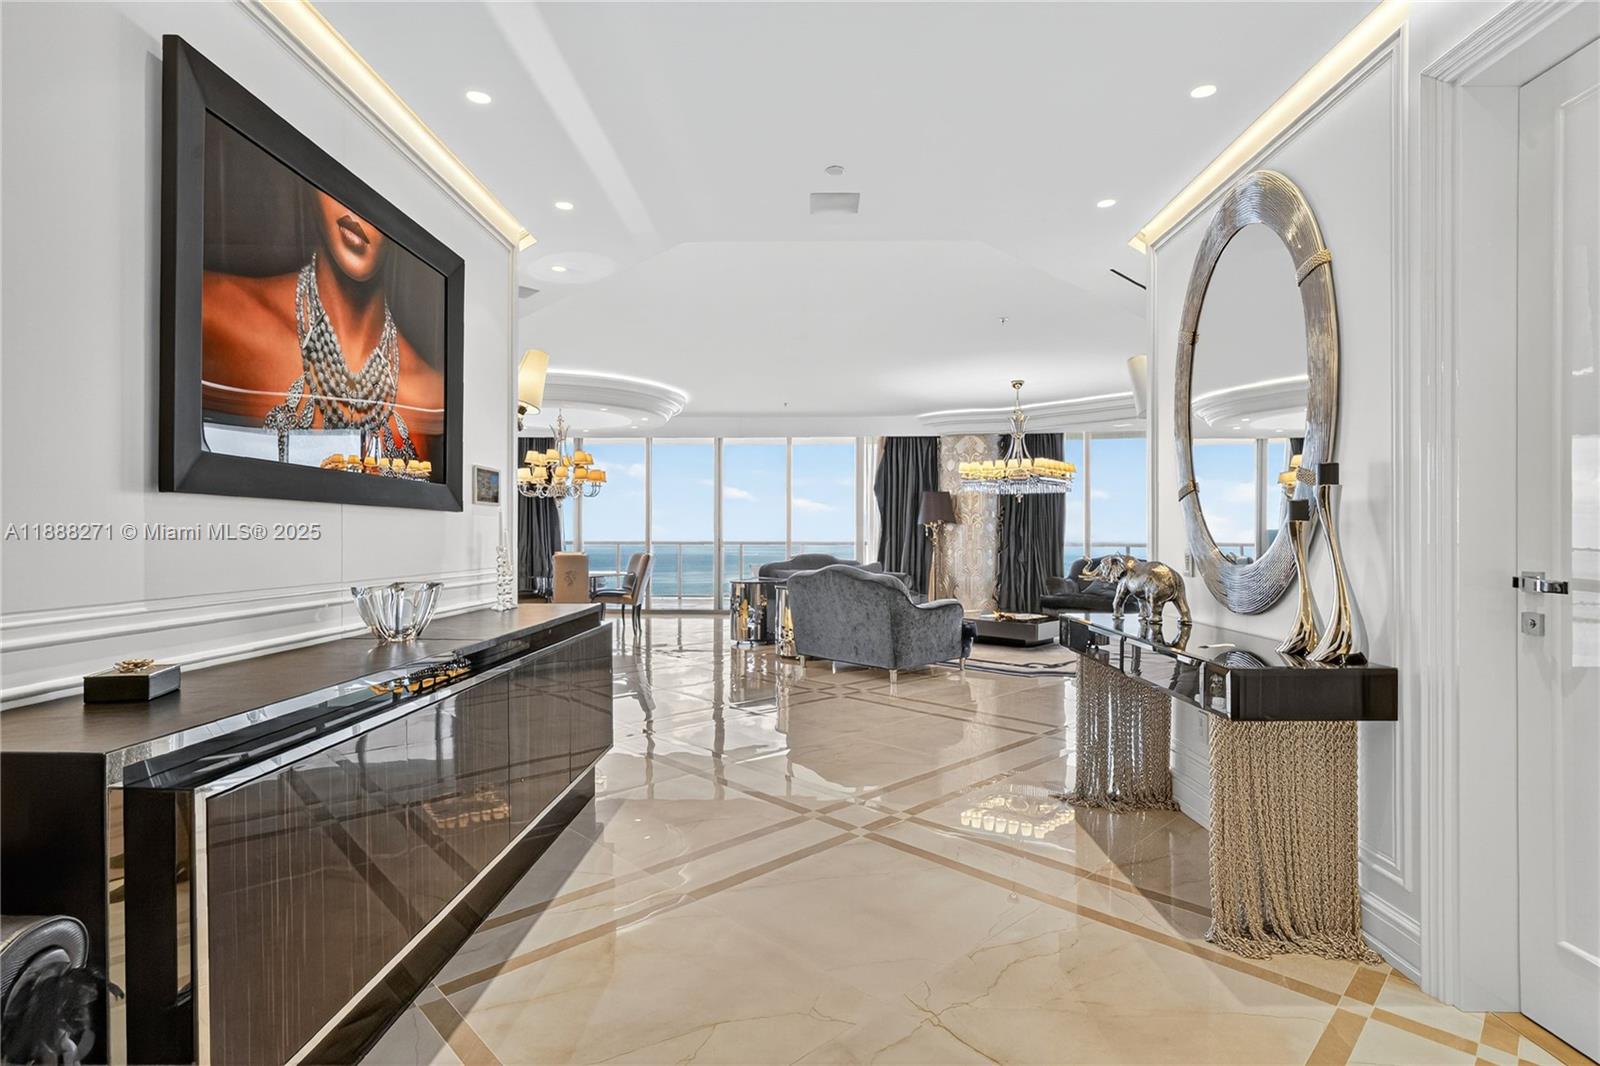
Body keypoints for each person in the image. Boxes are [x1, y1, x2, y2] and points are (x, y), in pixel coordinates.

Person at [201, 188, 443, 464]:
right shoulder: (213, 312)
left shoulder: (430, 399)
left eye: (381, 190)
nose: (357, 210)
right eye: (341, 182)